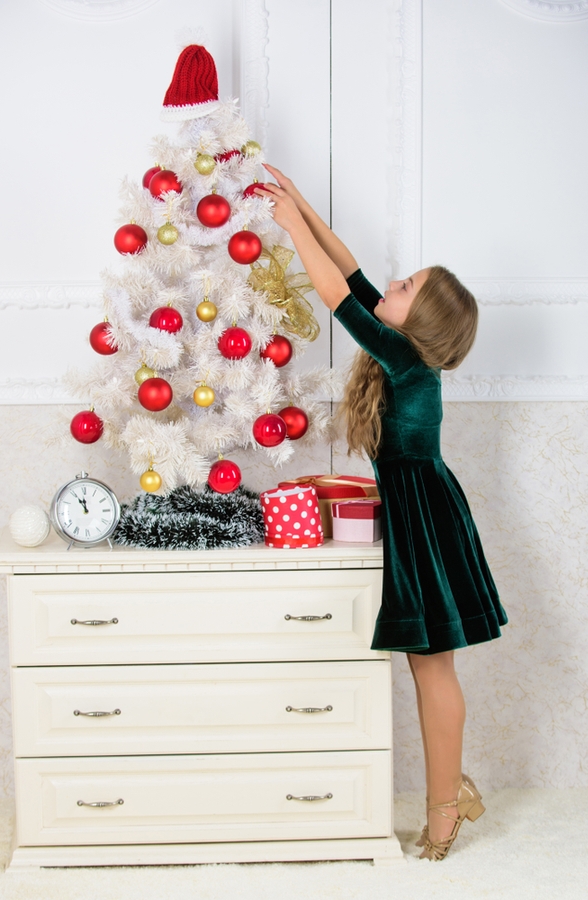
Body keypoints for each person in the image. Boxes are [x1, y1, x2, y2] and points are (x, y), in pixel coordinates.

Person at [256, 164, 508, 862]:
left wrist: (286, 227)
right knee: (426, 667)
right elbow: (354, 272)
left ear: (417, 318)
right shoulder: (403, 352)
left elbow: (338, 294)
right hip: (420, 511)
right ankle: (451, 791)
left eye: (404, 289)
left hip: (425, 519)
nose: (390, 288)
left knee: (430, 670)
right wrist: (298, 203)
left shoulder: (405, 358)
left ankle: (444, 813)